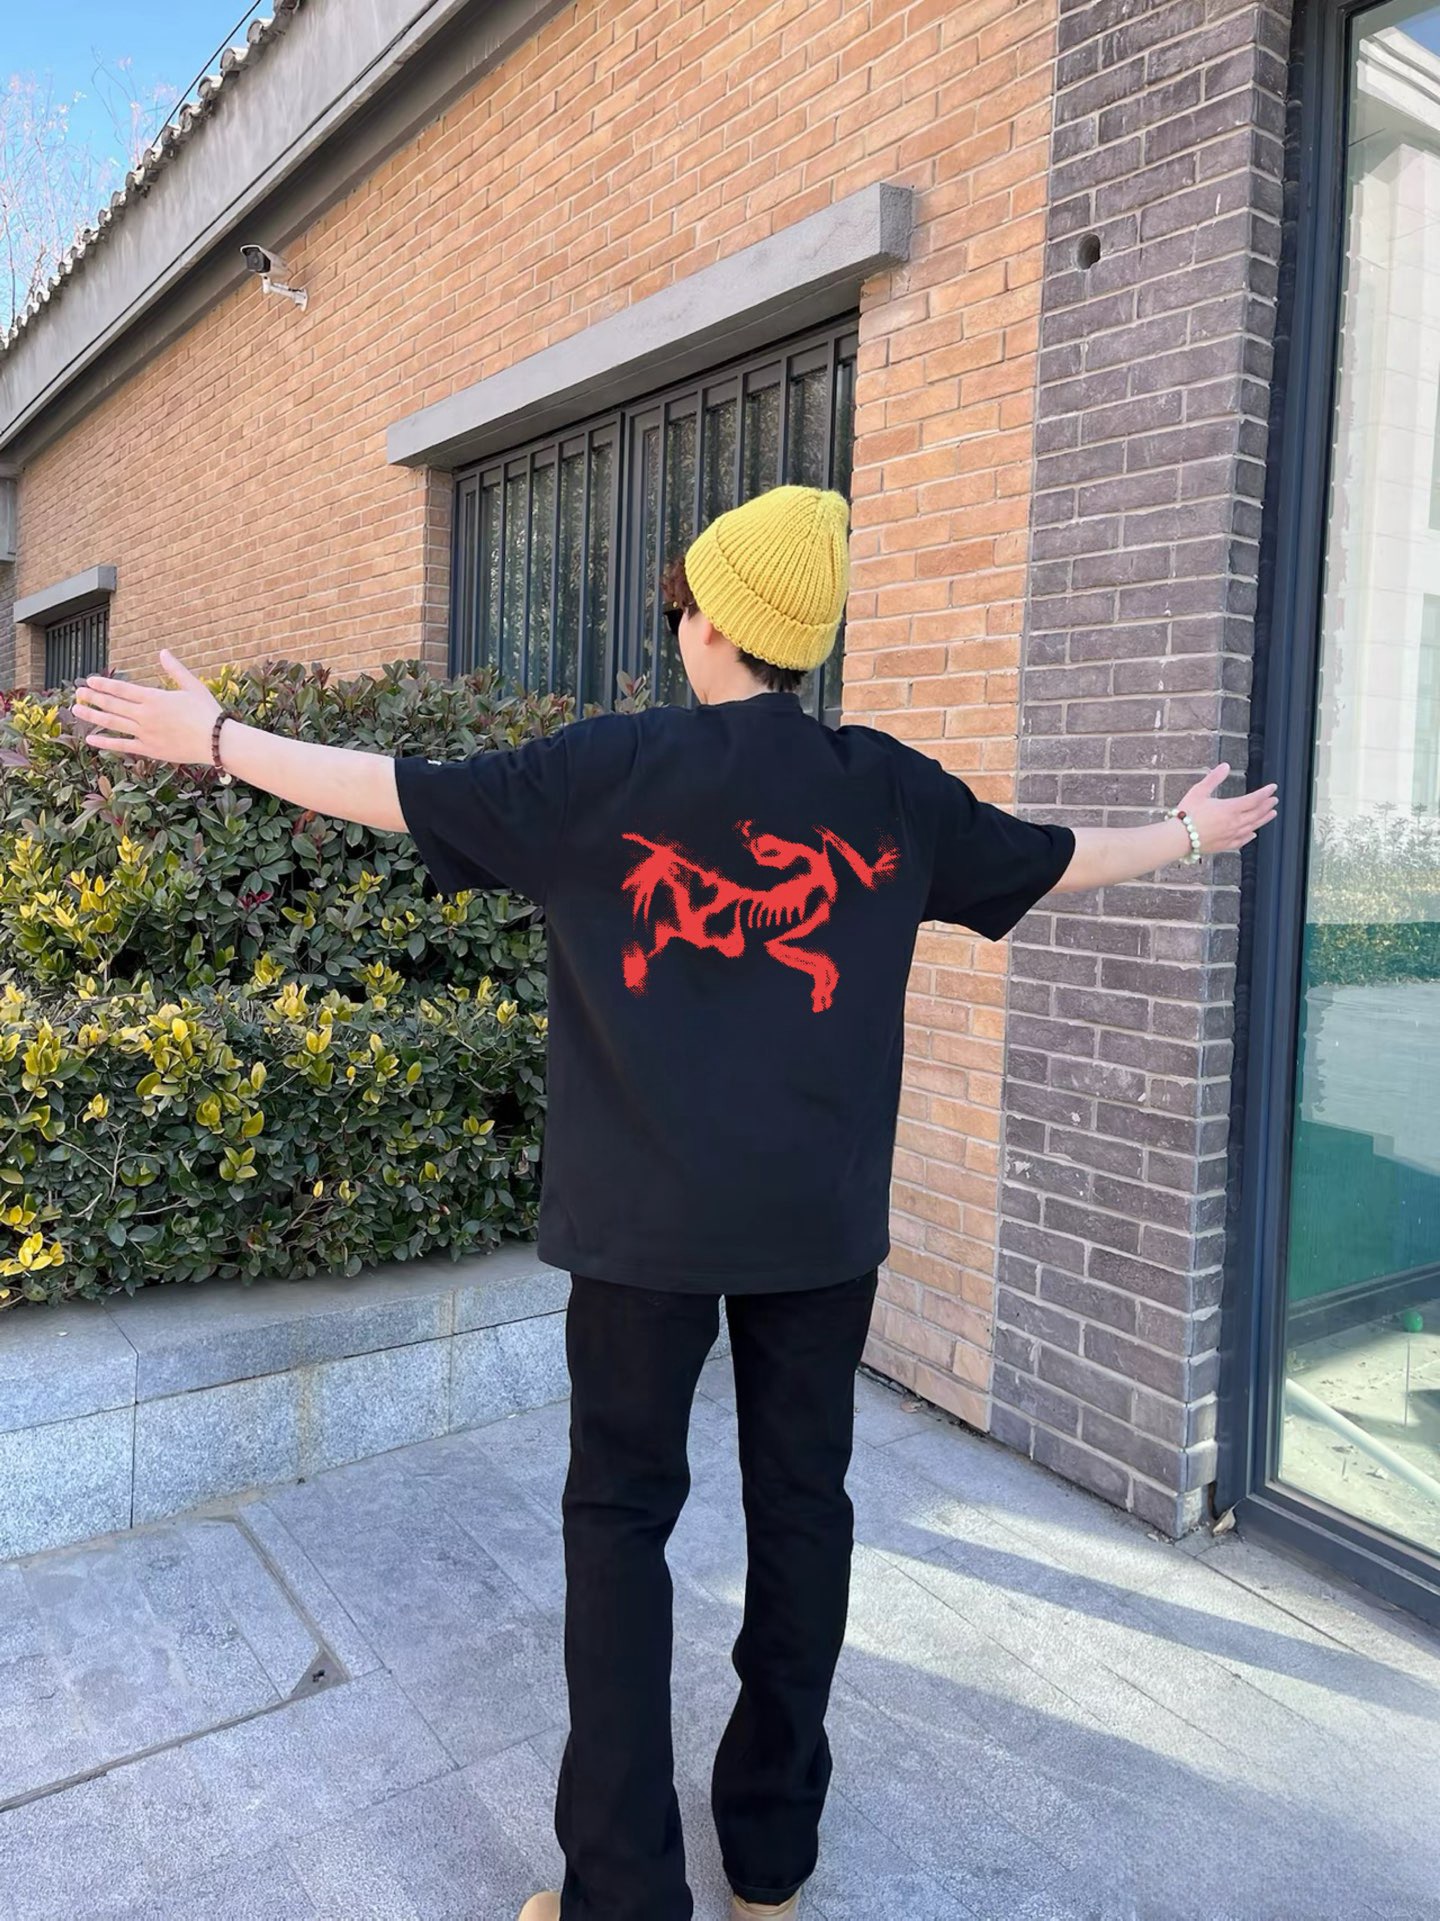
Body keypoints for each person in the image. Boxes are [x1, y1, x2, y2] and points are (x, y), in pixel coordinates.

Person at [73, 484, 1278, 1921]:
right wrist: (1186, 836)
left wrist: (217, 738)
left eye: (680, 603)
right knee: (804, 1509)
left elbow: (395, 788)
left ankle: (626, 1894)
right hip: (818, 1229)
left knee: (621, 1520)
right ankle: (769, 1859)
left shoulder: (612, 772)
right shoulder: (889, 791)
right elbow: (1054, 855)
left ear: (708, 620)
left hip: (641, 1231)